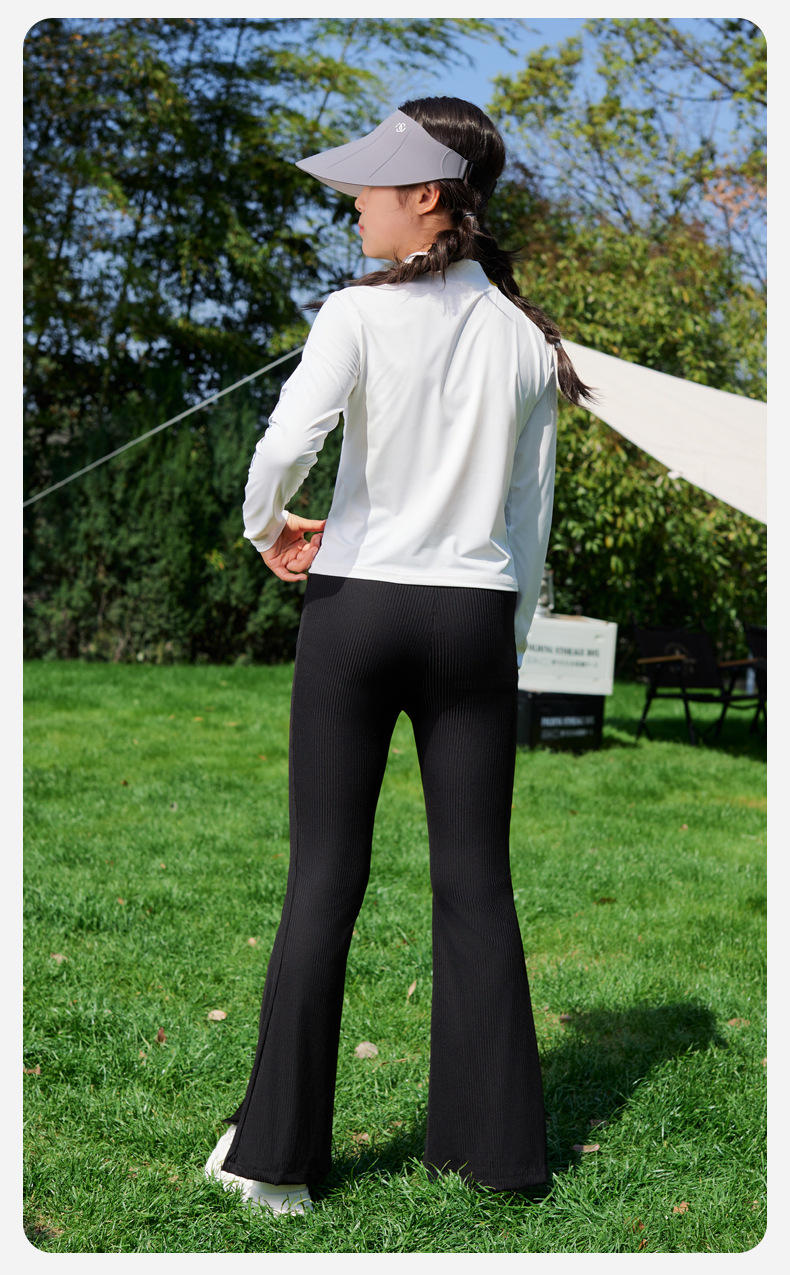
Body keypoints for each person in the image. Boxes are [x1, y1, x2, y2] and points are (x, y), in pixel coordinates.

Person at [204, 96, 594, 1216]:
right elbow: (528, 520)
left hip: (359, 609)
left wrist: (267, 528)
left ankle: (276, 1165)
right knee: (476, 882)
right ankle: (495, 1158)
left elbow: (287, 444)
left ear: (428, 196)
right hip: (474, 619)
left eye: (371, 186)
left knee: (325, 877)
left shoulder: (356, 314)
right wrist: (504, 641)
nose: (356, 205)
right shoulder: (528, 340)